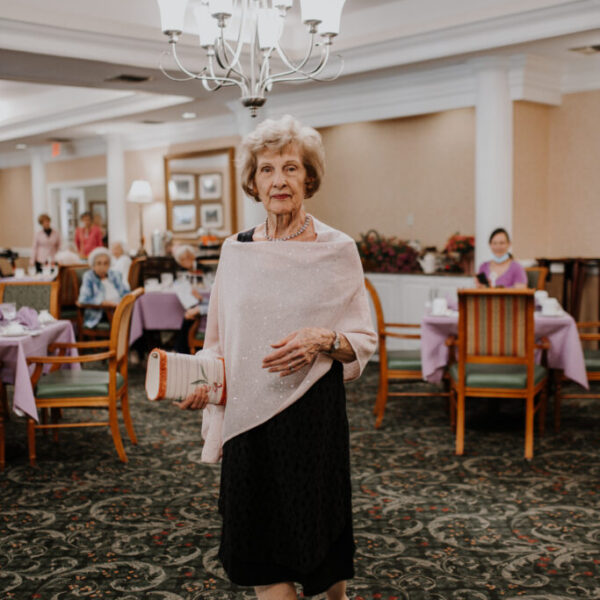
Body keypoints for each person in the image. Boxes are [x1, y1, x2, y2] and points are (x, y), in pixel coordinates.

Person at [175, 115, 376, 600]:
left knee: (320, 549)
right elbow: (219, 339)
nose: (279, 180)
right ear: (253, 181)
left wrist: (320, 337)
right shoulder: (235, 251)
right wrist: (205, 384)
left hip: (312, 418)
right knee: (260, 551)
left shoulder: (337, 248)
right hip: (248, 419)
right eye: (267, 170)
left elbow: (362, 339)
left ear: (309, 177)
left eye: (290, 167)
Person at [78, 247, 129, 330]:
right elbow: (83, 299)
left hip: (121, 308)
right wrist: (103, 303)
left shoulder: (115, 275)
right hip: (102, 313)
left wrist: (125, 303)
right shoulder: (89, 277)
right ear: (93, 265)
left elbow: (126, 292)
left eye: (105, 263)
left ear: (109, 265)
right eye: (99, 263)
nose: (102, 266)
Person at [173, 244, 205, 354]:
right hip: (200, 305)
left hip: (204, 311)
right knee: (188, 317)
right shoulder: (179, 272)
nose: (185, 261)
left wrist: (199, 306)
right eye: (182, 259)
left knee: (188, 317)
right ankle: (180, 349)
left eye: (188, 258)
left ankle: (179, 350)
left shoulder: (201, 268)